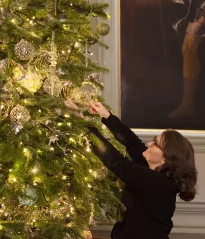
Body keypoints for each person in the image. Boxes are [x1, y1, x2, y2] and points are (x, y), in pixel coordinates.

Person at [67, 100, 198, 239]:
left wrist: (84, 126)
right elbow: (132, 142)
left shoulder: (157, 182)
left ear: (166, 159)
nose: (149, 143)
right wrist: (106, 115)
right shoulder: (154, 171)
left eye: (156, 144)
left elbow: (116, 162)